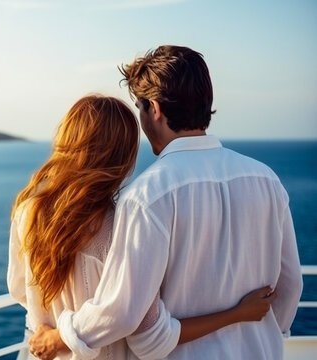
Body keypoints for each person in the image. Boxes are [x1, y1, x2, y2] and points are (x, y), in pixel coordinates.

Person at [28, 46, 303, 360]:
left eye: (140, 109)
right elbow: (290, 285)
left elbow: (129, 318)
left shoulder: (147, 196)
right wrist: (258, 334)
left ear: (155, 109)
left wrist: (61, 336)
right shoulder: (266, 180)